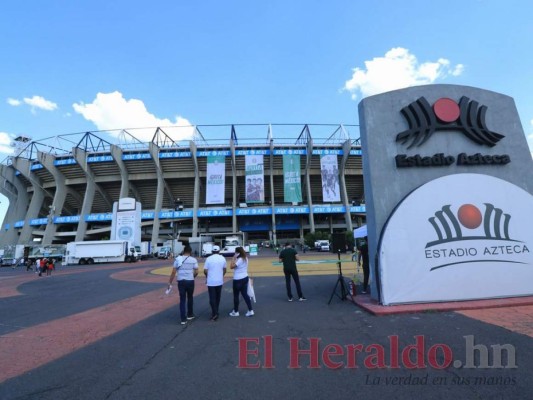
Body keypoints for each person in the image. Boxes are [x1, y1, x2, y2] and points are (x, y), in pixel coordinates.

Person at [168, 245, 198, 325]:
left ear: (183, 251)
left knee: (182, 299)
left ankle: (183, 319)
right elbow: (196, 271)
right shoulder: (193, 260)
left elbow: (174, 272)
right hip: (190, 280)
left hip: (181, 281)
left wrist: (170, 282)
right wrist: (192, 277)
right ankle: (190, 314)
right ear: (190, 252)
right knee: (190, 297)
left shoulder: (178, 259)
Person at [229, 246, 254, 317]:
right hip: (245, 277)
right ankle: (250, 310)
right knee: (245, 294)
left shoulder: (239, 260)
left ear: (237, 252)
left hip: (238, 279)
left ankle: (236, 311)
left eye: (235, 252)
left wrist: (233, 258)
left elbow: (231, 266)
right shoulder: (246, 258)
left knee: (236, 295)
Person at [203, 245, 227, 321]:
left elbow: (205, 270)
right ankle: (216, 311)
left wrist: (207, 276)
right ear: (219, 251)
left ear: (212, 251)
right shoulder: (222, 258)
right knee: (218, 297)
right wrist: (221, 275)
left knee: (212, 298)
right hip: (219, 281)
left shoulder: (208, 259)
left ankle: (214, 313)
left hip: (211, 281)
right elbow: (225, 269)